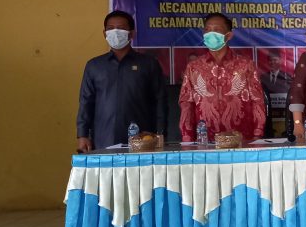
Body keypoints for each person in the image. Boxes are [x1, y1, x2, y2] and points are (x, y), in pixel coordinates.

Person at [76, 10, 168, 152]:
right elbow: (85, 102)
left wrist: (160, 133)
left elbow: (160, 101)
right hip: (103, 138)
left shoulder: (149, 64)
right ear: (104, 34)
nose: (115, 32)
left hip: (143, 139)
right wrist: (82, 135)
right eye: (110, 28)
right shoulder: (94, 66)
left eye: (121, 28)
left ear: (132, 34)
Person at [178, 13, 266, 141]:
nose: (211, 34)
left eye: (216, 30)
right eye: (207, 30)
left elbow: (257, 102)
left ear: (228, 36)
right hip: (205, 141)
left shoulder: (245, 65)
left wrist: (258, 134)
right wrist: (187, 137)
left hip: (241, 140)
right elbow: (186, 104)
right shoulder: (194, 67)